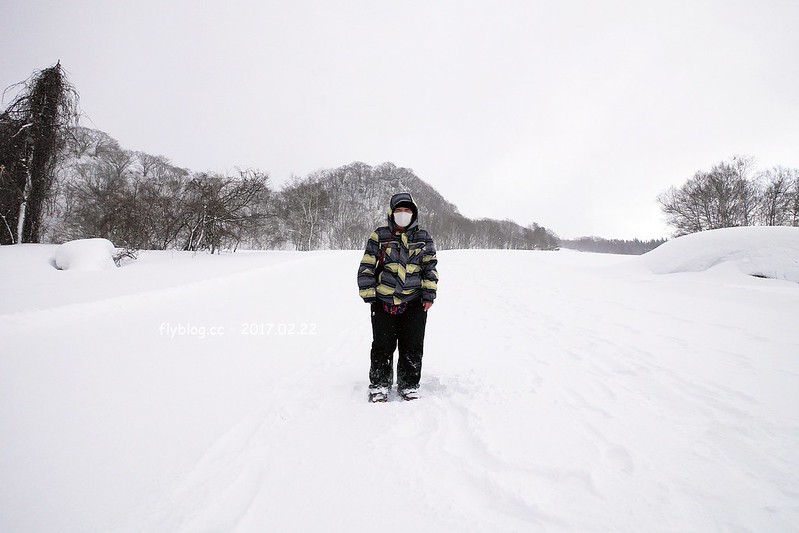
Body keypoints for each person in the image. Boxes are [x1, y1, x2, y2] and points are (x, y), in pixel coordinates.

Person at [357, 192, 438, 402]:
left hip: (414, 302)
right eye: (399, 210)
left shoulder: (424, 238)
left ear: (414, 213)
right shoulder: (380, 235)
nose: (403, 214)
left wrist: (429, 294)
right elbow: (367, 264)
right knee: (382, 345)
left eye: (407, 210)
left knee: (412, 345)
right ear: (391, 213)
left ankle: (409, 384)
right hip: (383, 302)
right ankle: (379, 384)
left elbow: (430, 268)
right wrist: (369, 293)